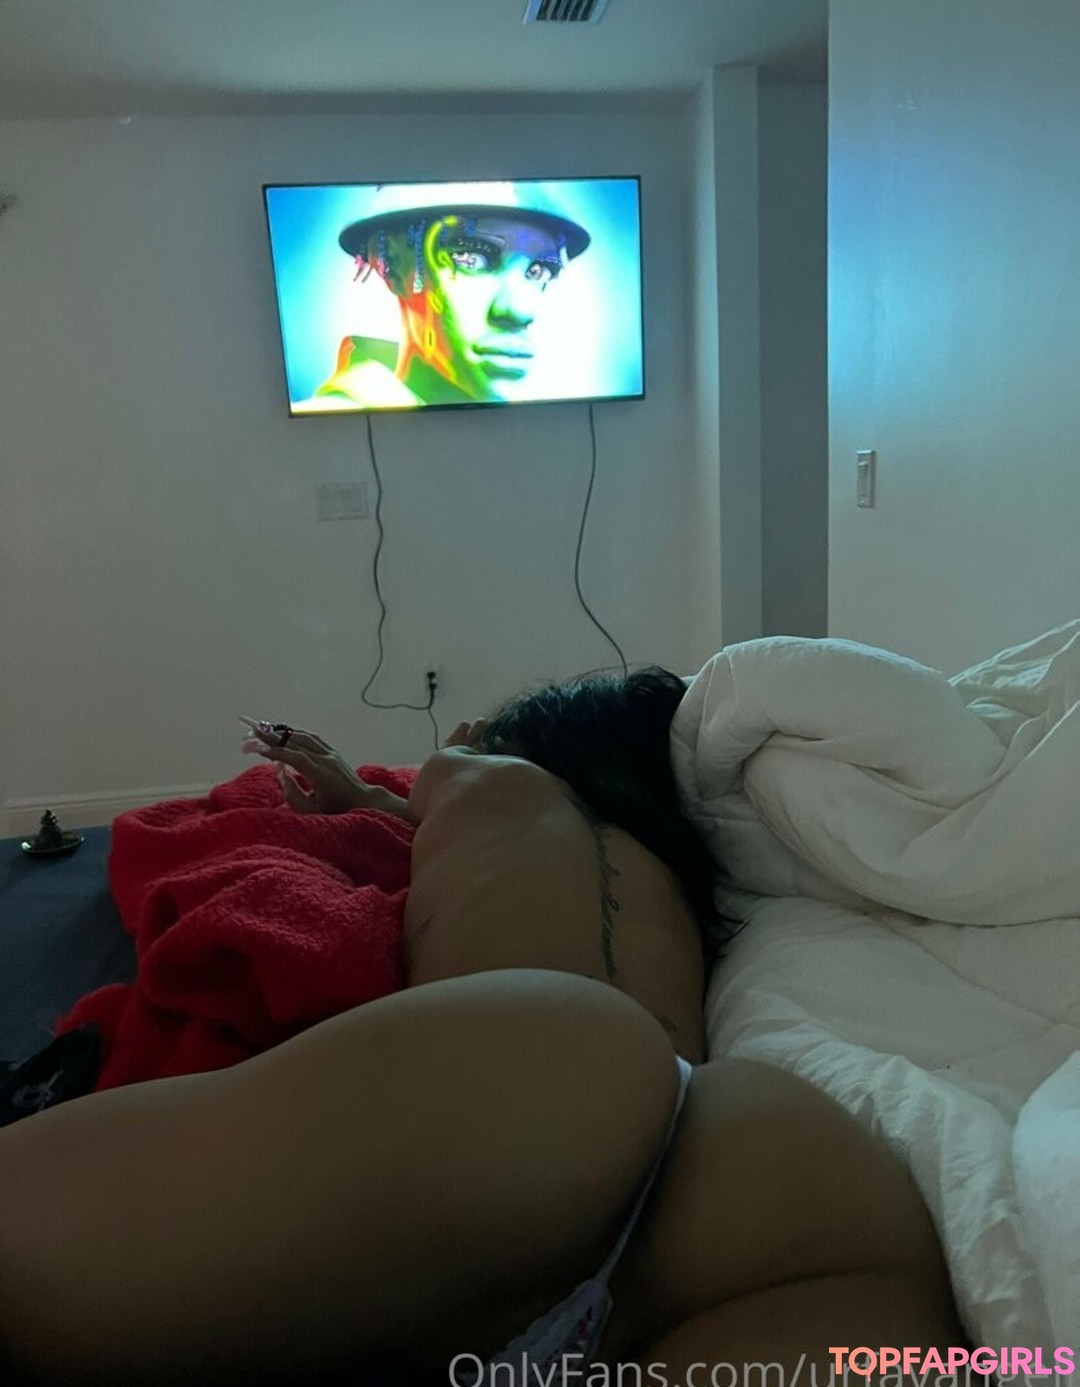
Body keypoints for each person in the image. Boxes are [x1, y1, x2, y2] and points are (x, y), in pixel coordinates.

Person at [0, 669, 964, 1385]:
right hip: (745, 1145)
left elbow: (404, 794)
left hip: (536, 1069)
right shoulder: (668, 852)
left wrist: (367, 784)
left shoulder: (475, 770)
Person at [305, 183, 591, 410]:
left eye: (539, 271)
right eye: (470, 258)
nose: (519, 309)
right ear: (390, 264)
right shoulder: (322, 438)